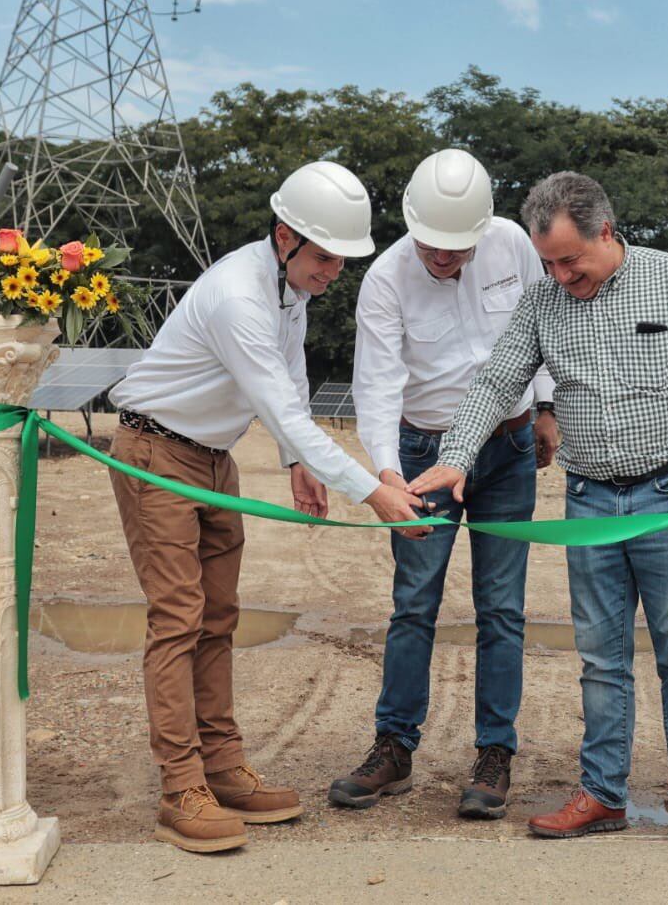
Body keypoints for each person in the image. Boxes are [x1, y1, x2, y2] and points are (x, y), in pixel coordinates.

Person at [408, 171, 668, 853]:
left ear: (605, 231)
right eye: (548, 263)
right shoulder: (541, 303)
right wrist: (456, 455)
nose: (562, 275)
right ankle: (603, 794)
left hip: (666, 497)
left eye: (572, 260)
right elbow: (497, 380)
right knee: (599, 657)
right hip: (590, 499)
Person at [107, 160, 430, 853]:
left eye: (342, 259)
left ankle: (222, 767)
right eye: (323, 256)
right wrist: (372, 489)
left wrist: (294, 464)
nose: (333, 271)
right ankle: (179, 787)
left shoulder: (290, 290)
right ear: (283, 235)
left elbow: (290, 376)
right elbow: (283, 406)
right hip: (155, 452)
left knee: (218, 616)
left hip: (212, 458)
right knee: (178, 619)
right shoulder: (237, 297)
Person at [329, 149, 558, 820]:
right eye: (432, 244)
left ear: (482, 230)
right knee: (414, 604)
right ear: (410, 224)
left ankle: (494, 755)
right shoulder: (384, 279)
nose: (444, 257)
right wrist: (385, 476)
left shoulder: (512, 243)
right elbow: (374, 382)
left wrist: (544, 408)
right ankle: (393, 747)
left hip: (508, 448)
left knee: (502, 609)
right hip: (424, 453)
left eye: (458, 247)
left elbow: (538, 327)